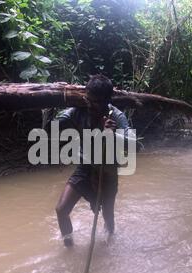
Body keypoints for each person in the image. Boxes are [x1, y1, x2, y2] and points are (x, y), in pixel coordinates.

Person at [46, 74, 134, 247]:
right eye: (88, 100)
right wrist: (51, 106)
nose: (91, 105)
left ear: (106, 101)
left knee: (108, 218)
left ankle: (109, 249)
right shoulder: (78, 111)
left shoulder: (116, 116)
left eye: (96, 102)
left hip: (107, 172)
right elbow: (51, 128)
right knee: (61, 210)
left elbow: (133, 146)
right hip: (85, 168)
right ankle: (68, 247)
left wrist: (113, 134)